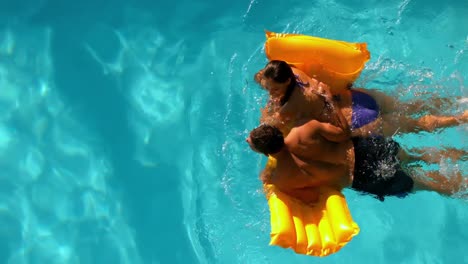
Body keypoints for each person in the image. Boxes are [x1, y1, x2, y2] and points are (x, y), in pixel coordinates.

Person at [247, 121, 467, 202]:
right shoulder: (304, 130)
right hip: (363, 151)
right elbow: (343, 132)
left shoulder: (282, 178)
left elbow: (313, 198)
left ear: (263, 152)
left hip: (363, 178)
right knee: (419, 156)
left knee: (427, 185)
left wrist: (265, 177)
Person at [254, 60, 468, 137]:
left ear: (287, 82)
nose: (271, 93)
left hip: (359, 121)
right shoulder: (294, 72)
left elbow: (268, 128)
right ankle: (459, 101)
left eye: (273, 90)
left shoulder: (290, 107)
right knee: (411, 106)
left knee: (416, 124)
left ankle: (461, 118)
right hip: (359, 98)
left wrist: (269, 110)